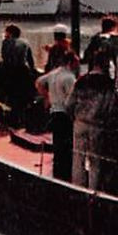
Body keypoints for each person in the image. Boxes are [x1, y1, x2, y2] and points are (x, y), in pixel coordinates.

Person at [36, 47, 78, 180]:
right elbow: (72, 98)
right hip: (65, 113)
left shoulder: (53, 74)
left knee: (57, 143)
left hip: (54, 111)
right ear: (71, 62)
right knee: (67, 145)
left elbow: (38, 82)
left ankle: (57, 172)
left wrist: (47, 96)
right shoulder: (69, 77)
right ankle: (66, 173)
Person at [0, 24, 37, 120]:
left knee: (11, 95)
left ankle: (10, 116)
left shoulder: (5, 42)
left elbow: (5, 58)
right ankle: (22, 117)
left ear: (10, 33)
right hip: (23, 73)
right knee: (21, 97)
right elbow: (30, 61)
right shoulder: (25, 43)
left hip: (9, 73)